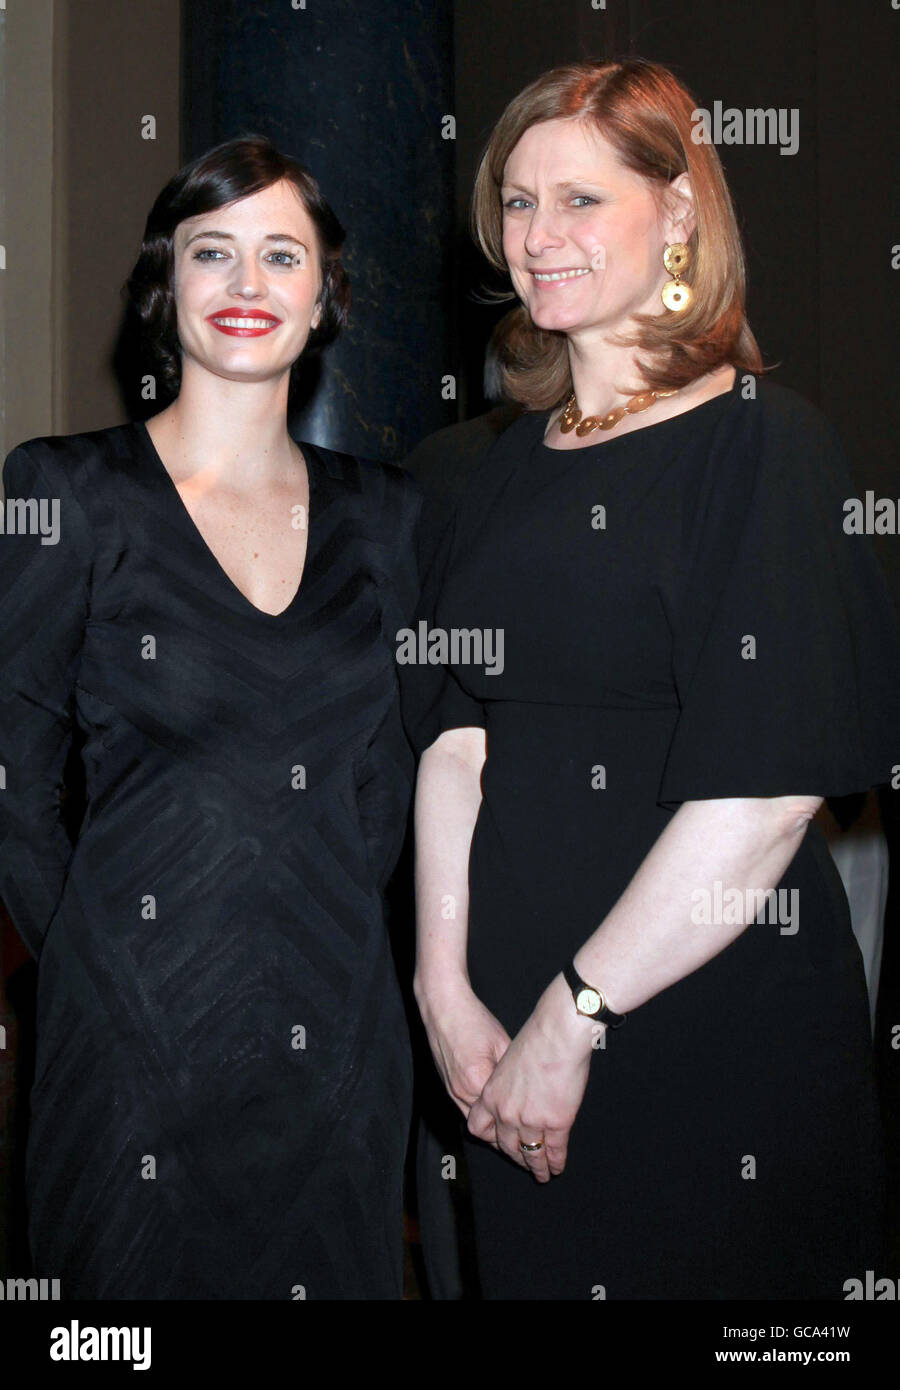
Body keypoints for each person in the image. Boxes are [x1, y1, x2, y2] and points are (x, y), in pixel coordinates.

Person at [408, 58, 900, 1299]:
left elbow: (768, 797)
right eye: (517, 204)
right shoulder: (488, 471)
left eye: (581, 200)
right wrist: (444, 985)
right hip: (501, 1030)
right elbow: (457, 740)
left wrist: (573, 1018)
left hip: (699, 1037)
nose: (538, 236)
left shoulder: (766, 448)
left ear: (680, 213)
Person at [0, 135, 421, 1299]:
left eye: (281, 256)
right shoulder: (66, 491)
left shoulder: (389, 518)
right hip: (130, 1056)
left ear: (325, 295)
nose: (246, 287)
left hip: (337, 1047)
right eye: (212, 253)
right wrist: (101, 960)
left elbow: (386, 792)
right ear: (161, 286)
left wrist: (314, 934)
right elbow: (12, 783)